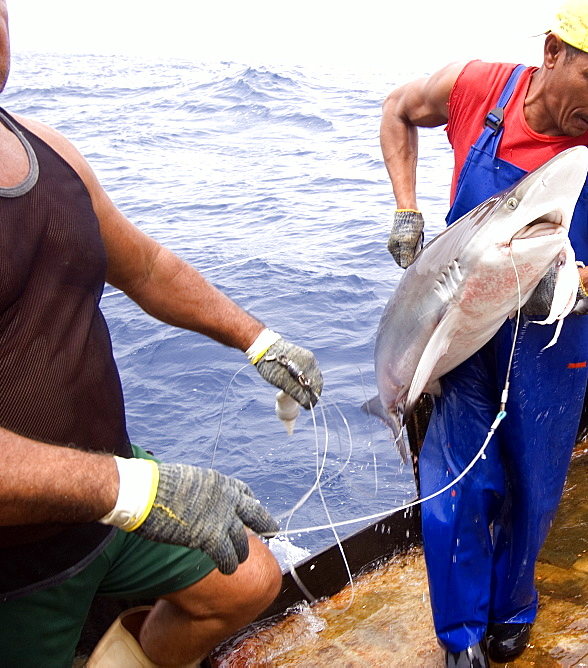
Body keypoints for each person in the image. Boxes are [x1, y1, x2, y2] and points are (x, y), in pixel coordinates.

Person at [0, 0, 324, 664]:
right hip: (18, 563)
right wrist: (138, 492)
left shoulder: (48, 150)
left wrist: (258, 340)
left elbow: (145, 265)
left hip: (112, 494)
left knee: (248, 581)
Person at [380, 0, 588, 664]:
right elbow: (398, 109)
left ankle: (514, 604)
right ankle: (460, 637)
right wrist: (406, 208)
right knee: (458, 480)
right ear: (554, 53)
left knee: (533, 481)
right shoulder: (477, 89)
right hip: (467, 324)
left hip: (555, 333)